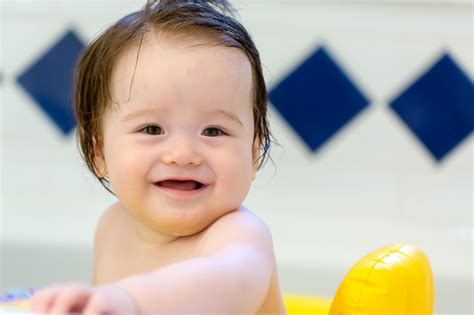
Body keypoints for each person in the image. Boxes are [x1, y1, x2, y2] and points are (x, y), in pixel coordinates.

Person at [29, 0, 286, 314]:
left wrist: (132, 300)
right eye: (151, 129)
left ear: (253, 153)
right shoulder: (113, 227)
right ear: (100, 154)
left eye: (214, 131)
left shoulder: (240, 237)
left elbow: (224, 284)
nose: (183, 154)